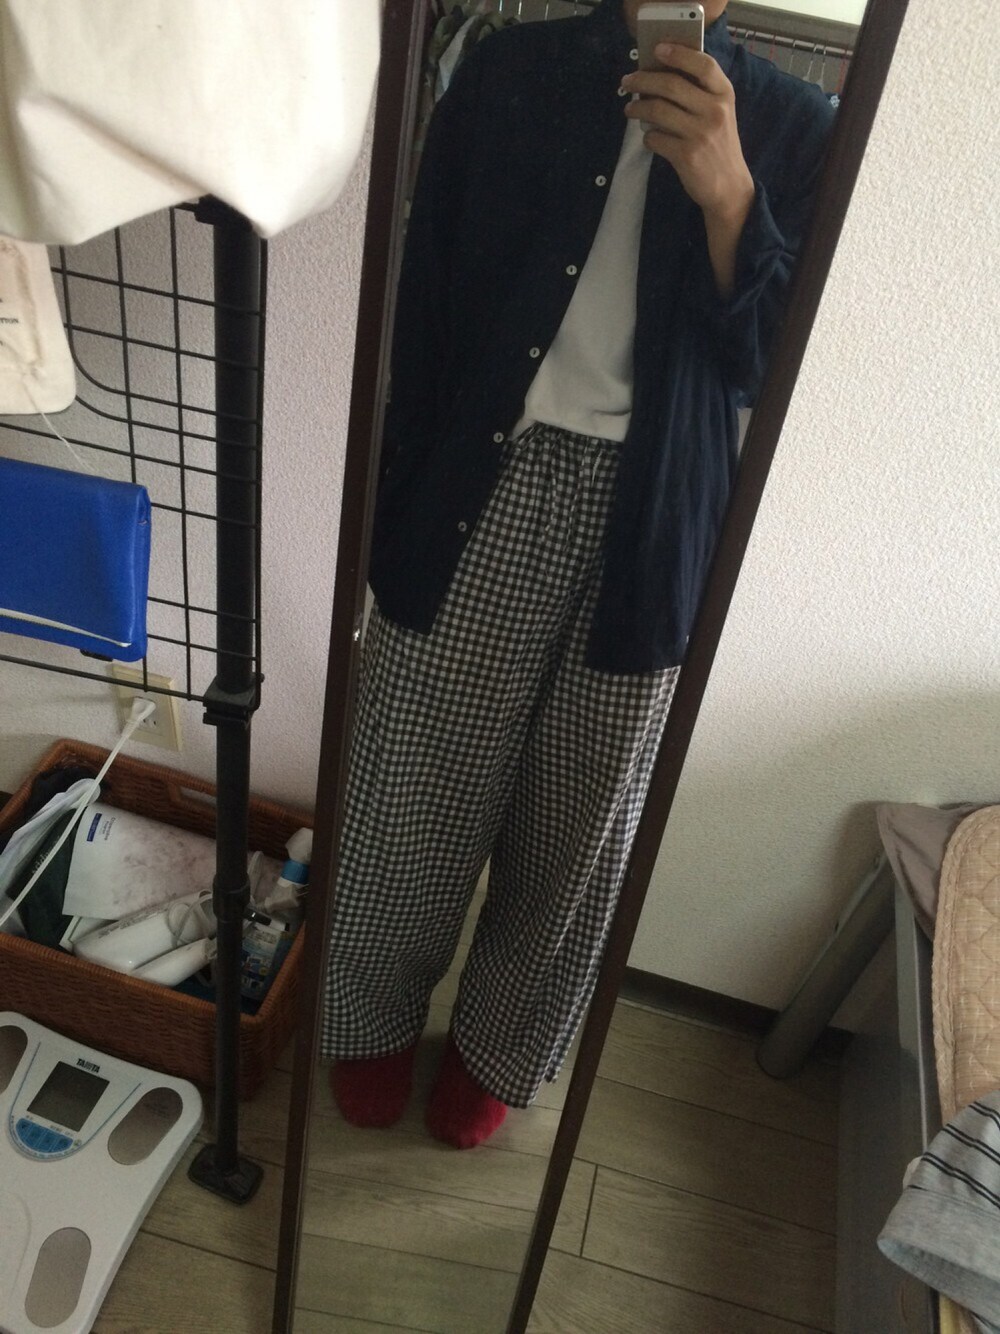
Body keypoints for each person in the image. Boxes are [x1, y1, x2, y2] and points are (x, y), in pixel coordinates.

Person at [322, 0, 835, 1148]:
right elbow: (424, 295)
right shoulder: (508, 69)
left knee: (578, 820)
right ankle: (368, 1018)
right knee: (414, 788)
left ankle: (494, 1048)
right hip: (485, 481)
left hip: (654, 515)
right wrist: (393, 500)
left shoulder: (797, 128)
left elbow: (766, 369)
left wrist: (730, 198)